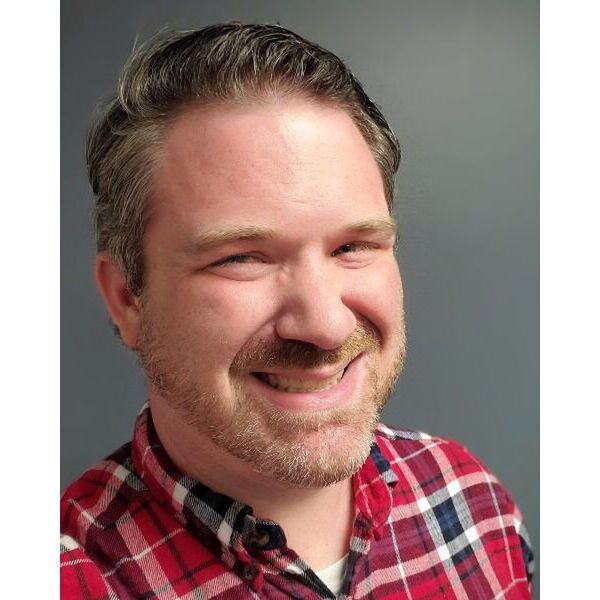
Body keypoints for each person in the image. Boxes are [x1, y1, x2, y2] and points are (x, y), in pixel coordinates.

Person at [60, 22, 534, 599]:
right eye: (242, 258)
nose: (326, 326)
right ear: (127, 298)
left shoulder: (474, 507)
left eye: (353, 246)